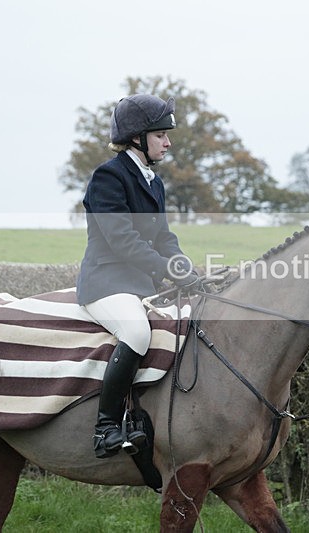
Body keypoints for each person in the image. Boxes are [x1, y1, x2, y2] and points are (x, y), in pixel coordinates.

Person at [76, 93, 199, 459]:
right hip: (106, 283)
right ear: (136, 138)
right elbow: (122, 241)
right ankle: (105, 428)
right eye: (161, 135)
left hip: (140, 286)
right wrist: (168, 270)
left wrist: (186, 269)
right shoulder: (109, 176)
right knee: (137, 332)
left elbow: (163, 238)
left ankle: (139, 419)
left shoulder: (154, 182)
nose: (168, 142)